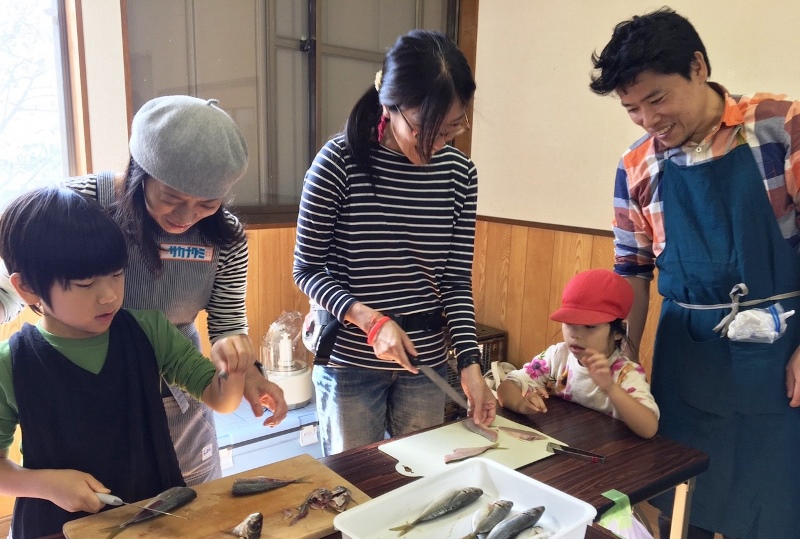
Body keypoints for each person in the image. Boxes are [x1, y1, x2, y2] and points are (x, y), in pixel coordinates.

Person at [589, 8, 800, 539]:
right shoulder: (637, 164)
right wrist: (624, 356)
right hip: (686, 356)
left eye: (658, 99)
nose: (649, 120)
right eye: (632, 109)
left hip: (774, 356)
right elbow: (633, 271)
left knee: (754, 527)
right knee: (680, 509)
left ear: (699, 67)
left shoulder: (781, 127)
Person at [0, 95, 288, 485]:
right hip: (86, 388)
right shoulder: (81, 205)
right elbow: (20, 278)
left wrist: (244, 371)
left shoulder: (225, 237)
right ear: (139, 171)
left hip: (179, 380)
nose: (186, 217)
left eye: (207, 204)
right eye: (171, 198)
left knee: (187, 496)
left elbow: (228, 323)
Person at [0, 187, 246, 539]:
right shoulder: (12, 363)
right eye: (85, 284)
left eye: (117, 274)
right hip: (57, 538)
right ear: (26, 288)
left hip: (155, 525)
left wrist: (234, 369)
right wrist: (47, 484)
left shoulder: (150, 330)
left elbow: (221, 399)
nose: (109, 296)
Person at [292, 29, 496, 456]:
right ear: (389, 105)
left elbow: (455, 282)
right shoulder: (338, 163)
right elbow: (306, 269)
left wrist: (470, 363)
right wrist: (371, 321)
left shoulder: (460, 174)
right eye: (424, 130)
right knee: (355, 482)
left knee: (419, 477)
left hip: (425, 362)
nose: (436, 146)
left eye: (450, 130)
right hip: (350, 363)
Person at [497, 270, 658, 438]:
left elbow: (649, 428)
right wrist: (520, 404)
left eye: (590, 326)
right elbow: (506, 387)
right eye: (569, 323)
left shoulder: (626, 373)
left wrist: (610, 387)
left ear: (619, 331)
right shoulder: (558, 356)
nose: (575, 335)